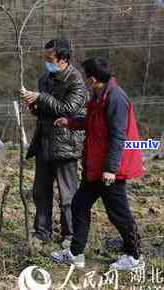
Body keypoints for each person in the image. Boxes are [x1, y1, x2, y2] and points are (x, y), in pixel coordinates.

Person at [51, 57, 144, 271]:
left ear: (93, 79)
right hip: (97, 166)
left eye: (86, 77)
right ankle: (75, 254)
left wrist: (111, 169)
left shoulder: (115, 98)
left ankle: (135, 257)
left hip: (111, 170)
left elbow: (118, 135)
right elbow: (93, 121)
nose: (84, 80)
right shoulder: (99, 96)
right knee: (79, 205)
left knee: (119, 214)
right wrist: (71, 122)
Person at [21, 39, 89, 249]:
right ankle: (42, 232)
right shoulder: (45, 79)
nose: (47, 63)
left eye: (50, 59)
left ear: (63, 60)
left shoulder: (76, 82)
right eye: (46, 59)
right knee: (40, 191)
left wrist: (41, 98)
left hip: (66, 144)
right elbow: (46, 109)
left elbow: (68, 109)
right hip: (44, 142)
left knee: (68, 195)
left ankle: (70, 235)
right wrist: (33, 106)